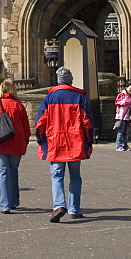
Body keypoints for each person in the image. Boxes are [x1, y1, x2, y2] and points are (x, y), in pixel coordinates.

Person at [35, 67, 95, 222]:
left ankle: (59, 205)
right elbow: (87, 122)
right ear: (71, 80)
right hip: (75, 140)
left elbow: (40, 122)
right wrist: (89, 140)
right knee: (75, 176)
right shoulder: (79, 97)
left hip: (55, 141)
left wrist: (41, 139)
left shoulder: (49, 98)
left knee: (57, 175)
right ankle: (74, 208)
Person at [0, 78, 30, 214]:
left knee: (3, 173)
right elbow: (26, 127)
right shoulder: (18, 105)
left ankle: (5, 204)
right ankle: (14, 200)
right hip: (16, 143)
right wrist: (24, 142)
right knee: (13, 171)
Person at [113, 81, 131, 152]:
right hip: (121, 116)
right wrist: (124, 102)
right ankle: (119, 146)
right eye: (130, 88)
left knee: (126, 132)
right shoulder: (121, 94)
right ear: (126, 88)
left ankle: (125, 145)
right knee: (120, 132)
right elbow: (117, 102)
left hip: (127, 116)